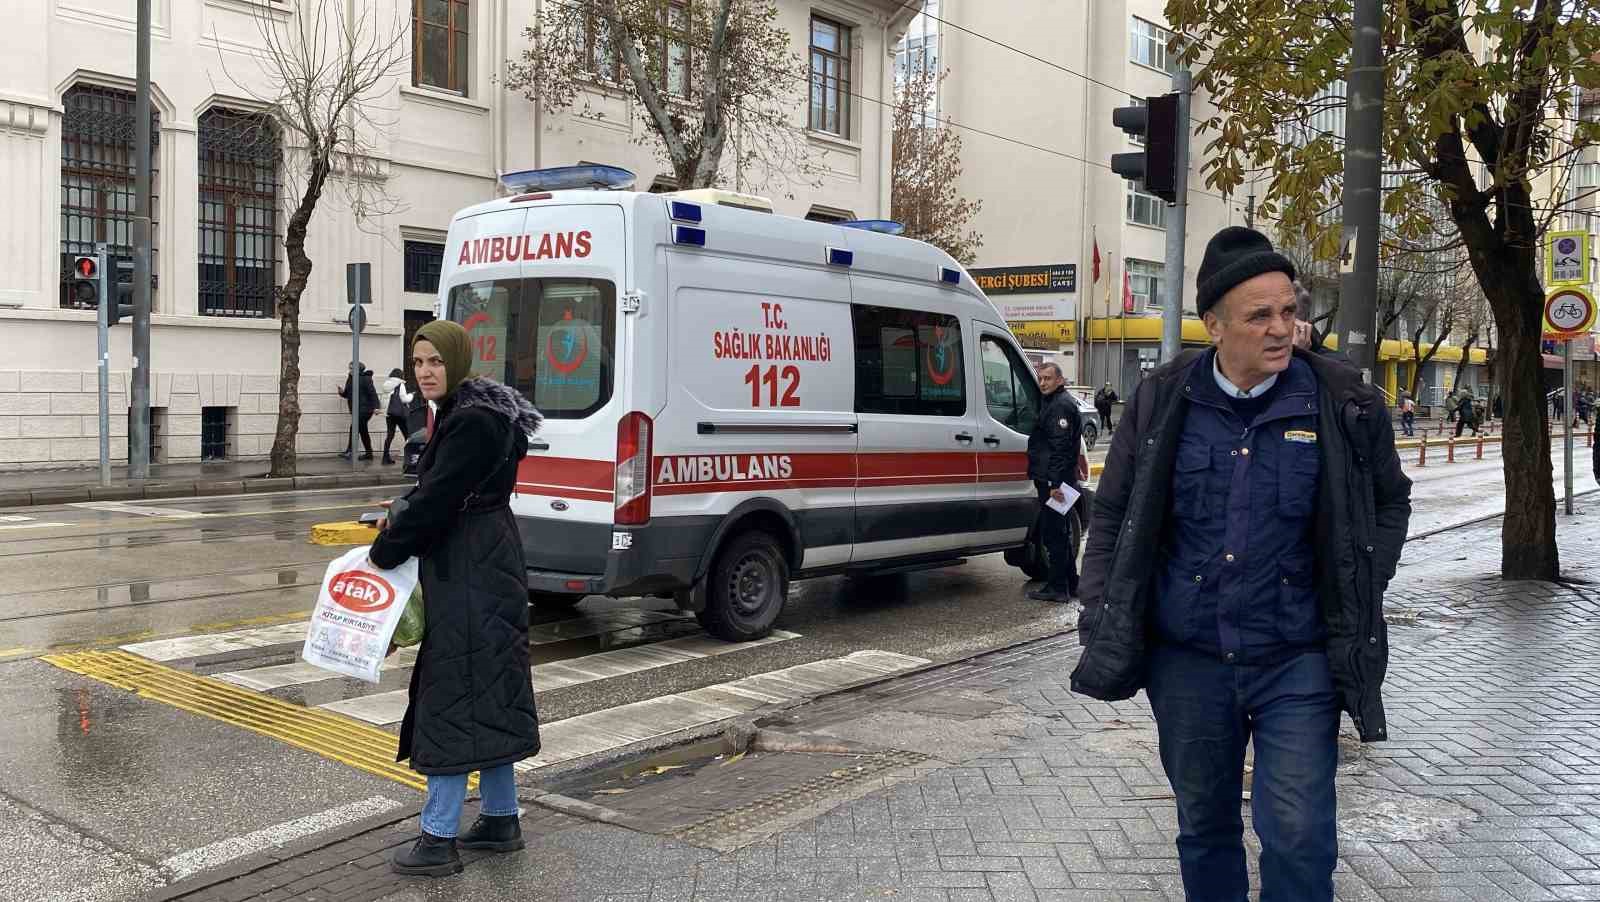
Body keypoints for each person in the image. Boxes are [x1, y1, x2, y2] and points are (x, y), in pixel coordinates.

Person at [1070, 226, 1412, 901]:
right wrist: (1100, 602)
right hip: (1189, 659)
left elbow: (1389, 505)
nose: (1283, 328)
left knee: (1299, 831)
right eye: (1261, 316)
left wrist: (1361, 583)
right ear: (1214, 326)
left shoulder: (1342, 404)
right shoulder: (1164, 400)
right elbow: (1111, 514)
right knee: (1204, 824)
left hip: (1298, 659)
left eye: (1290, 310)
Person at [369, 320, 543, 877]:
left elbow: (439, 500)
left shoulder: (471, 421)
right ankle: (500, 818)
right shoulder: (476, 414)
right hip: (485, 563)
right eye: (418, 362)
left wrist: (385, 550)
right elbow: (439, 490)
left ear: (458, 363)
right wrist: (399, 509)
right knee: (486, 690)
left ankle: (437, 839)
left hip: (472, 570)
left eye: (435, 362)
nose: (425, 372)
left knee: (452, 695)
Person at [1026, 362, 1083, 603]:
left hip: (1056, 482)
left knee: (1054, 534)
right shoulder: (1057, 402)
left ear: (1060, 380)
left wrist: (1053, 483)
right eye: (1040, 378)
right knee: (1060, 532)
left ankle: (1058, 587)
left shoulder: (1060, 406)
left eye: (1048, 378)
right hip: (1059, 480)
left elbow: (1059, 449)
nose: (1043, 383)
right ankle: (1071, 582)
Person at [338, 363, 380, 460]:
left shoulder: (365, 378)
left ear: (358, 369)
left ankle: (350, 451)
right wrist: (342, 393)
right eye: (349, 368)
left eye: (352, 368)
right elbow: (347, 394)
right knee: (363, 431)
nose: (349, 370)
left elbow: (372, 393)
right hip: (356, 409)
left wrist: (376, 407)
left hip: (365, 409)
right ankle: (369, 454)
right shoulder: (350, 378)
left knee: (354, 428)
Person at [381, 368, 415, 466]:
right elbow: (404, 399)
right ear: (400, 375)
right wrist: (411, 395)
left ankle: (385, 458)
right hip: (399, 414)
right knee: (407, 435)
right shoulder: (400, 384)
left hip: (389, 414)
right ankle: (411, 458)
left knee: (390, 435)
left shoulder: (386, 384)